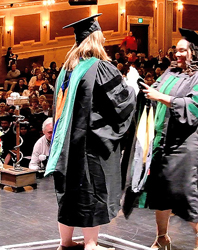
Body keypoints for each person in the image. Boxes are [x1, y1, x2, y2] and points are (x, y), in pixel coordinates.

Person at [44, 14, 138, 250]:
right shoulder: (101, 67)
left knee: (69, 194)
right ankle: (91, 245)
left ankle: (65, 243)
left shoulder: (67, 70)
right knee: (90, 193)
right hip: (89, 146)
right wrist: (133, 86)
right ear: (97, 39)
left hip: (66, 146)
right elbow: (121, 103)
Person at [140, 28, 198, 250]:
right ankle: (162, 236)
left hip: (186, 143)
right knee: (160, 190)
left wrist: (161, 97)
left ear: (195, 52)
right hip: (163, 139)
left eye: (183, 51)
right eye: (176, 50)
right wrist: (139, 88)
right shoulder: (172, 73)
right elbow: (153, 92)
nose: (177, 55)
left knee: (180, 189)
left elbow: (195, 109)